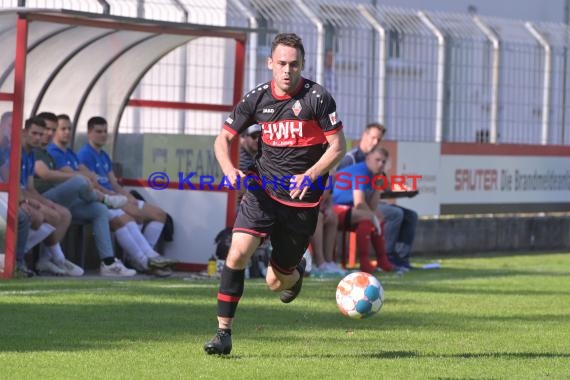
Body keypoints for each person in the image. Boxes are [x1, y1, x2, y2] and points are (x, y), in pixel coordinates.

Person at [204, 33, 346, 355]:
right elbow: (222, 140)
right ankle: (223, 334)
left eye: (293, 64)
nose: (287, 70)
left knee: (275, 282)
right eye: (281, 63)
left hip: (303, 201)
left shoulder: (318, 98)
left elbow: (338, 147)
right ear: (270, 63)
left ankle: (294, 274)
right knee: (237, 253)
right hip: (262, 190)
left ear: (302, 65)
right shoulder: (256, 98)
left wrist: (310, 175)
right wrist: (229, 170)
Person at [33, 112, 137, 277]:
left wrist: (85, 178)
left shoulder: (50, 152)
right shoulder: (36, 151)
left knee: (99, 210)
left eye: (53, 130)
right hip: (44, 199)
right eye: (45, 130)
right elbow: (45, 174)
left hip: (61, 200)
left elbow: (82, 173)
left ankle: (109, 263)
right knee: (80, 183)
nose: (48, 134)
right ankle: (106, 201)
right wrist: (80, 177)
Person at [71, 115, 175, 275]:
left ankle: (145, 256)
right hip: (104, 199)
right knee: (130, 216)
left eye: (105, 131)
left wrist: (129, 197)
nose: (103, 135)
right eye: (98, 131)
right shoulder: (84, 154)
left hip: (114, 196)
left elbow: (114, 183)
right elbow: (94, 185)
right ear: (89, 133)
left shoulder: (104, 155)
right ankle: (144, 259)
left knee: (160, 215)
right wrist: (118, 199)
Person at [337, 122, 418, 270]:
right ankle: (387, 257)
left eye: (378, 140)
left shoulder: (377, 159)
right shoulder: (351, 159)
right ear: (364, 136)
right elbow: (345, 189)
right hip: (349, 205)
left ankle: (401, 260)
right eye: (373, 138)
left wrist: (403, 188)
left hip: (368, 202)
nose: (375, 142)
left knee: (411, 215)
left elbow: (383, 185)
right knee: (394, 214)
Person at [332, 146, 395, 273]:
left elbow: (371, 207)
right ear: (368, 158)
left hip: (349, 209)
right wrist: (372, 216)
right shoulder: (361, 171)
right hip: (334, 208)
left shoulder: (373, 175)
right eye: (377, 160)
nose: (381, 164)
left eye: (383, 162)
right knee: (369, 217)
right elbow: (359, 203)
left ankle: (382, 260)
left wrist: (378, 186)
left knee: (378, 216)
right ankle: (365, 261)